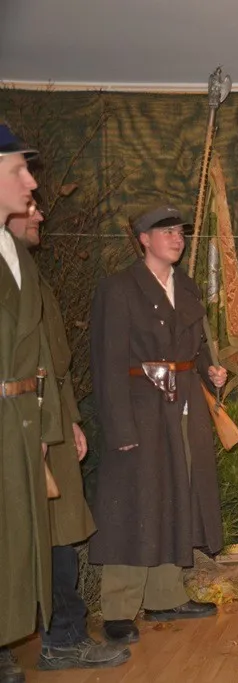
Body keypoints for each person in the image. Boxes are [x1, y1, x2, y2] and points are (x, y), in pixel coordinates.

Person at [90, 204, 227, 646]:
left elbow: (194, 347)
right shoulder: (118, 289)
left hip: (183, 406)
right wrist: (119, 428)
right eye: (165, 231)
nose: (176, 238)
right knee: (135, 501)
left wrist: (209, 370)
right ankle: (118, 607)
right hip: (139, 410)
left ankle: (166, 596)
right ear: (143, 239)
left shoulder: (185, 287)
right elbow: (107, 362)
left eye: (180, 232)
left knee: (176, 494)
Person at [1, 206, 129, 672]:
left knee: (59, 534)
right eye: (28, 204)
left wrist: (69, 419)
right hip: (20, 418)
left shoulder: (29, 272)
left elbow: (55, 362)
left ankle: (65, 637)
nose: (37, 211)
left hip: (45, 416)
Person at [0, 124, 63, 683]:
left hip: (18, 420)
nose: (32, 182)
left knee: (16, 539)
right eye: (18, 169)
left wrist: (43, 425)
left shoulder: (16, 255)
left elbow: (38, 350)